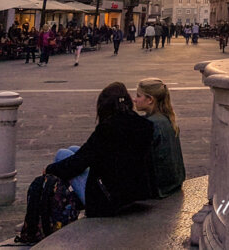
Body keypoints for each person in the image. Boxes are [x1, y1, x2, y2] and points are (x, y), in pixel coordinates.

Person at [15, 83, 155, 244]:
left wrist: (49, 169)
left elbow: (79, 163)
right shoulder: (145, 125)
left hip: (110, 201)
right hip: (135, 193)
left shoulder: (107, 128)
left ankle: (44, 214)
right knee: (72, 150)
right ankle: (49, 212)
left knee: (62, 155)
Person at [134, 78, 186, 197]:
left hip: (160, 188)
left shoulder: (151, 124)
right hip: (174, 183)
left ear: (150, 100)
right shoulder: (166, 119)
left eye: (138, 96)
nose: (134, 99)